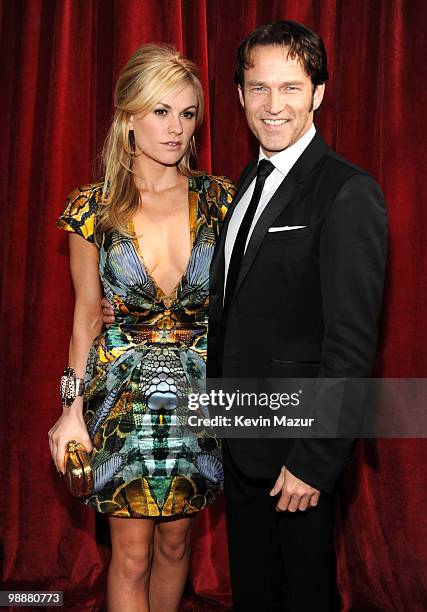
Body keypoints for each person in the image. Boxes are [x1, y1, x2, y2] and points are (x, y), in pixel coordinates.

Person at [206, 21, 387, 612]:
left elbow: (352, 343)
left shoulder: (346, 191)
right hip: (240, 439)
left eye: (290, 87)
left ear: (319, 93)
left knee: (304, 597)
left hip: (297, 453)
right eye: (258, 88)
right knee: (255, 594)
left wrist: (315, 459)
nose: (273, 105)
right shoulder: (244, 185)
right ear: (238, 95)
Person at [48, 44, 234, 612]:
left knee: (178, 544)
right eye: (160, 111)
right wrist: (70, 409)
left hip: (200, 396)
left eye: (187, 113)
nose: (176, 128)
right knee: (129, 554)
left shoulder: (222, 199)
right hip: (122, 395)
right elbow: (84, 316)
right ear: (128, 116)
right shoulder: (93, 208)